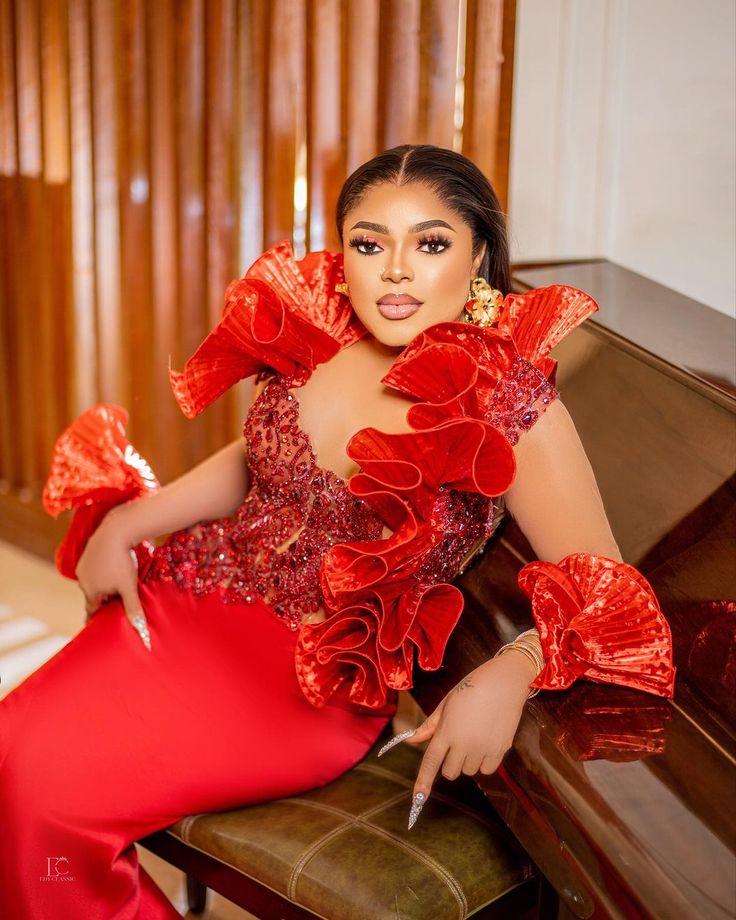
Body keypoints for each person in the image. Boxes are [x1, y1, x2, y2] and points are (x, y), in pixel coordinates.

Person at [0, 144, 675, 918]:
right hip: (193, 598)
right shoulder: (319, 331)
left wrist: (511, 671)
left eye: (429, 243)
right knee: (10, 758)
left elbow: (610, 592)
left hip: (305, 686)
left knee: (43, 801)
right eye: (369, 242)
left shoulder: (511, 404)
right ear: (343, 249)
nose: (394, 271)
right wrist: (128, 520)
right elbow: (260, 456)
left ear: (478, 253)